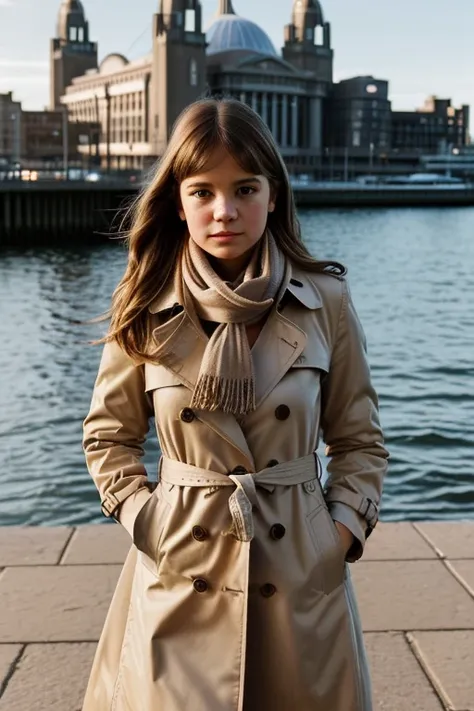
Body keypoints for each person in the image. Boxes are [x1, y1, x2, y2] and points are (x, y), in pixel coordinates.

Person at [82, 97, 389, 711]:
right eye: (202, 191)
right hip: (182, 560)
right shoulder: (143, 300)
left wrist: (340, 534)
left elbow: (359, 439)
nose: (224, 211)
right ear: (178, 200)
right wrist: (148, 519)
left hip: (300, 566)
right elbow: (108, 437)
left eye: (244, 188)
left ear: (273, 194)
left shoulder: (324, 298)